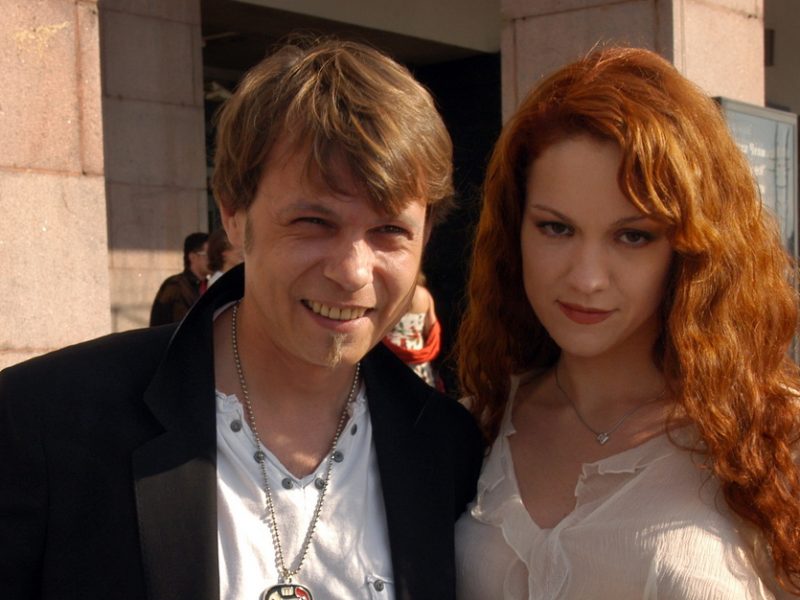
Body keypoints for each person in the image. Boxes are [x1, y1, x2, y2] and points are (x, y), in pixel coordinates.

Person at [0, 37, 484, 600]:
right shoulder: (45, 422)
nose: (353, 272)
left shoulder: (448, 448)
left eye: (390, 231)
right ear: (233, 213)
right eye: (313, 222)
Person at [454, 47, 800, 599]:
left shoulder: (775, 441)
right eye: (556, 228)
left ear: (690, 251)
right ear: (515, 230)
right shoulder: (474, 426)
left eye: (632, 236)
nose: (587, 278)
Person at [382, 273, 442, 388]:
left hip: (390, 352)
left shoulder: (392, 294)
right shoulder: (426, 296)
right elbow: (431, 328)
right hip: (417, 354)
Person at [149, 231, 210, 326]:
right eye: (208, 255)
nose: (213, 259)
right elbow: (158, 323)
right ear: (193, 257)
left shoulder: (210, 284)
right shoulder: (174, 285)